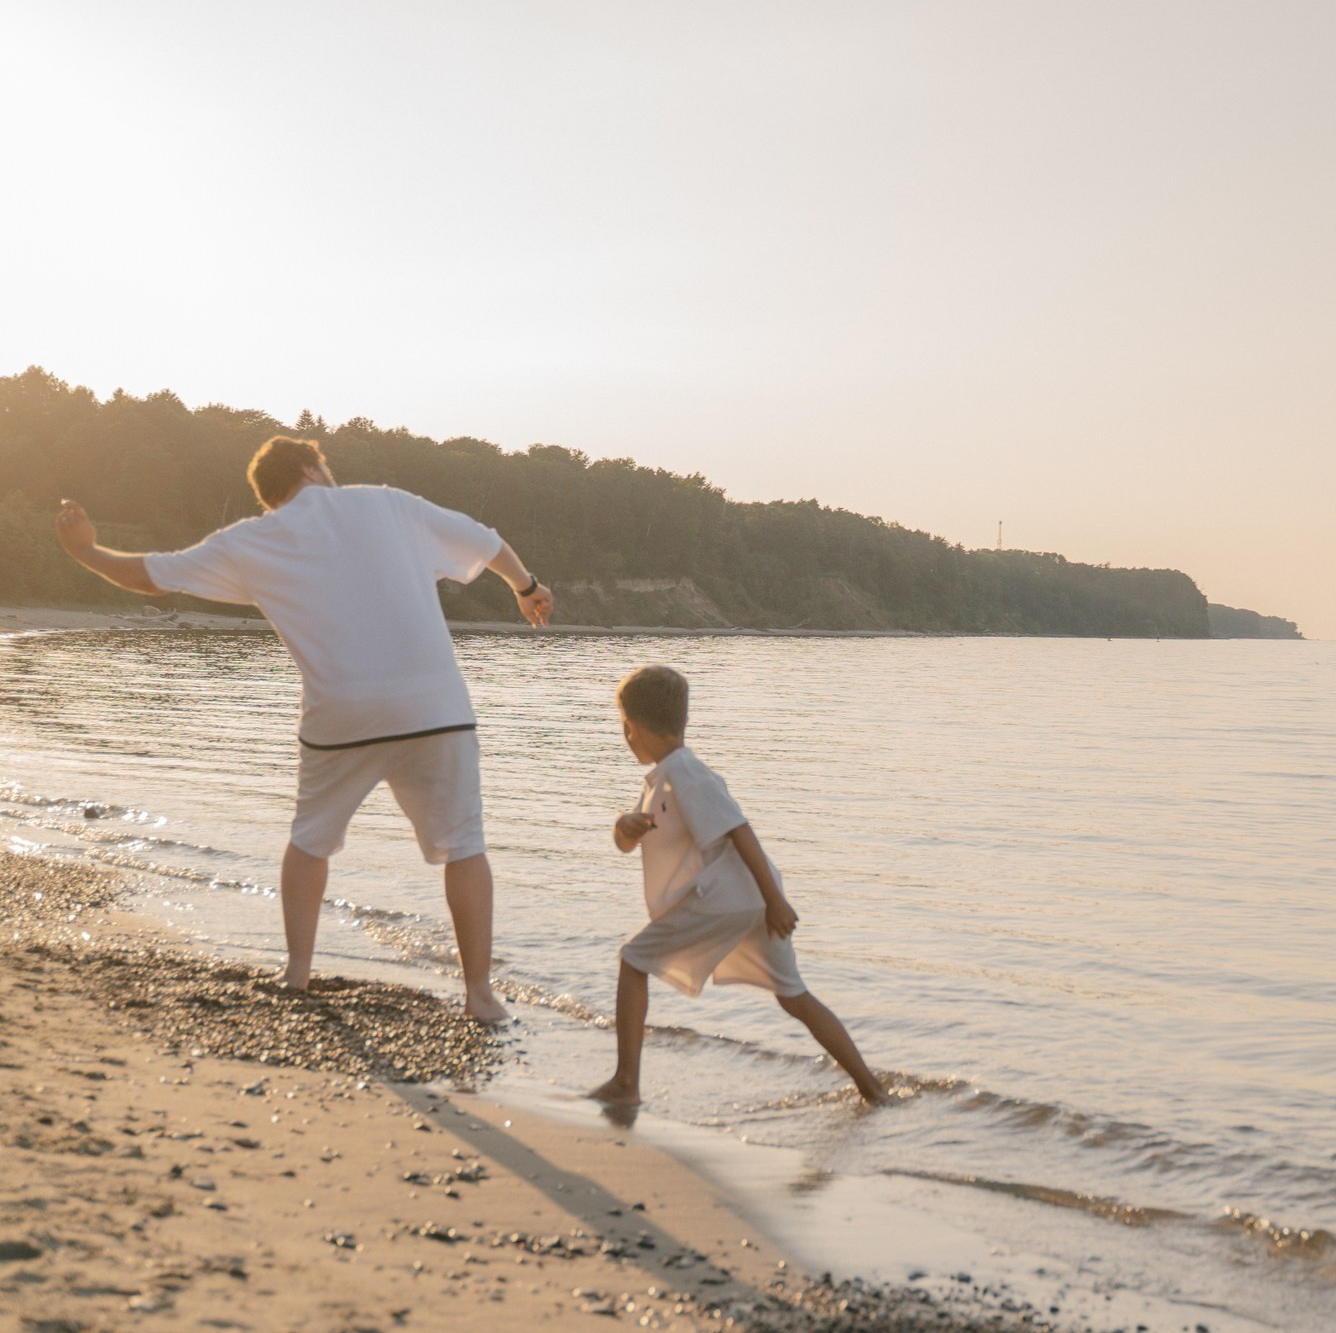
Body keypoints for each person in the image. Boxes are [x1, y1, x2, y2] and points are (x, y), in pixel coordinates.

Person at [52, 435, 552, 1020]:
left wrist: (85, 551)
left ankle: (296, 974)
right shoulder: (386, 503)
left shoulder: (253, 540)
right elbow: (487, 542)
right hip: (434, 709)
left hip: (341, 717)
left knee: (311, 840)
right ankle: (479, 996)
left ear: (270, 498)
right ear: (315, 469)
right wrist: (527, 588)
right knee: (464, 846)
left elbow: (151, 576)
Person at [591, 664, 885, 1108]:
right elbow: (627, 844)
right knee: (795, 997)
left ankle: (626, 1083)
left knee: (633, 961)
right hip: (748, 902)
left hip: (727, 900)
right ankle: (873, 1090)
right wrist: (623, 826)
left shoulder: (686, 773)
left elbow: (739, 831)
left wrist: (776, 900)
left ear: (629, 728)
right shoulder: (663, 778)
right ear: (683, 720)